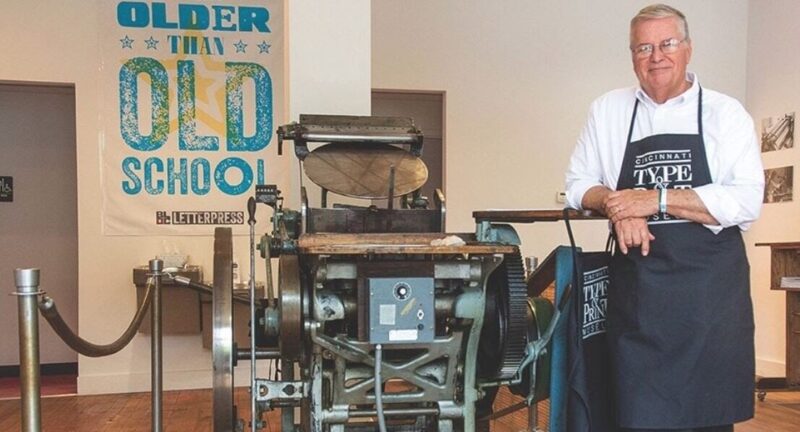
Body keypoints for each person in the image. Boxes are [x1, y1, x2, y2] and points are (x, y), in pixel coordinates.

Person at [565, 4, 764, 432]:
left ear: (688, 49)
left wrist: (653, 200)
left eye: (667, 44)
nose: (656, 56)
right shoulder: (608, 110)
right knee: (638, 417)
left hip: (708, 302)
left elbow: (746, 200)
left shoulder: (725, 114)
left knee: (706, 420)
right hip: (639, 297)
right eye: (644, 47)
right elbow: (578, 184)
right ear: (632, 55)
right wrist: (619, 205)